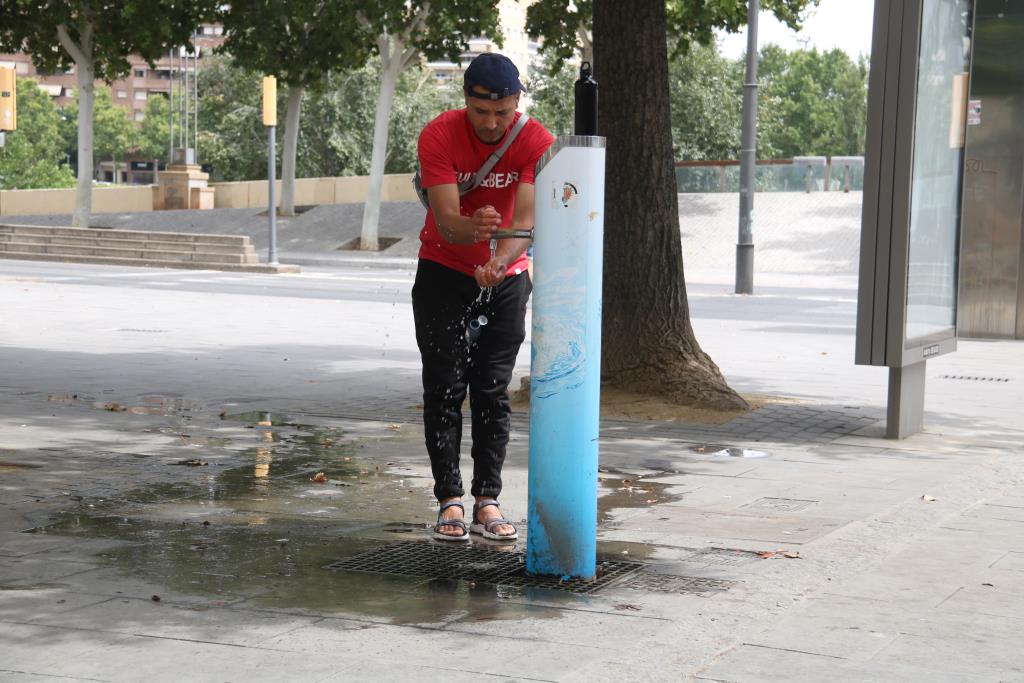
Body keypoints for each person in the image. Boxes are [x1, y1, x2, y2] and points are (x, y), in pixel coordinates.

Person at [413, 53, 553, 542]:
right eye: (481, 112)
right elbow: (446, 218)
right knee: (445, 387)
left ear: (517, 102)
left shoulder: (536, 140)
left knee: (492, 390)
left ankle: (487, 500)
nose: (492, 124)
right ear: (465, 102)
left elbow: (530, 214)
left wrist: (500, 258)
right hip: (443, 270)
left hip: (507, 275)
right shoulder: (439, 134)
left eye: (502, 112)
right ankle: (449, 498)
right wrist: (472, 228)